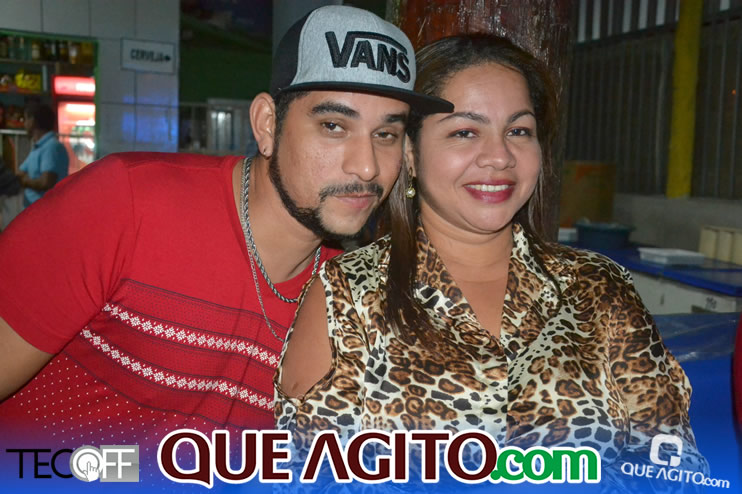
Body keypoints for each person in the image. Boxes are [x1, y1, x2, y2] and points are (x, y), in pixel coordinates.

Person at [0, 4, 451, 462]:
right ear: (267, 124)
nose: (367, 166)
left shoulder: (349, 297)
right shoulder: (126, 203)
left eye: (386, 134)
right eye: (334, 126)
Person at [275, 34, 706, 487]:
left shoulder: (598, 288)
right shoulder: (349, 295)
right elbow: (308, 475)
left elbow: (673, 466)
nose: (499, 157)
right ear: (410, 155)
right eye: (465, 132)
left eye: (519, 131)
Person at [16, 102, 69, 207]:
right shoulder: (38, 147)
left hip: (45, 209)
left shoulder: (51, 147)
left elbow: (46, 182)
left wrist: (25, 182)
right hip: (33, 207)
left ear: (32, 121)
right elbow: (20, 173)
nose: (24, 124)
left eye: (25, 119)